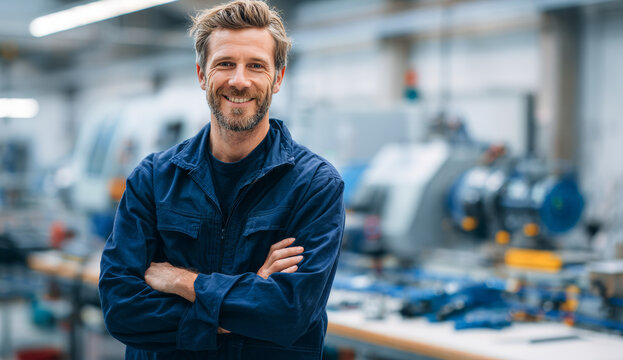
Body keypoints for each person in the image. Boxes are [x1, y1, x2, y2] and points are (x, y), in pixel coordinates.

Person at [98, 1, 345, 359]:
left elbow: (287, 314)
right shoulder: (152, 179)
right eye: (225, 64)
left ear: (277, 78)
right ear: (202, 74)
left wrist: (184, 281)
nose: (239, 80)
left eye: (256, 66)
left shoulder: (315, 185)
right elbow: (123, 311)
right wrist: (248, 302)